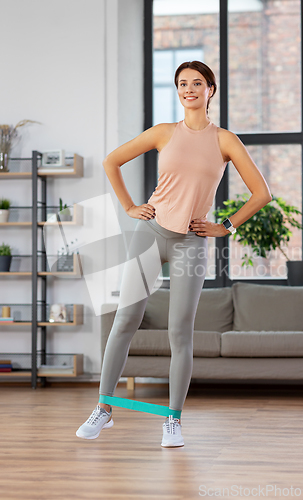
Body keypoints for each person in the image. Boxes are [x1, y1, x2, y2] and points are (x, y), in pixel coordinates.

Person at [76, 60, 272, 447]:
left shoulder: (225, 140)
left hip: (191, 242)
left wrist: (226, 226)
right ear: (178, 90)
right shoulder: (164, 132)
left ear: (210, 90)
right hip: (149, 232)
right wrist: (131, 206)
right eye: (182, 84)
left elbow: (262, 193)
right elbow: (111, 161)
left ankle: (173, 420)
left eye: (197, 83)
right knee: (125, 319)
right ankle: (103, 409)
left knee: (180, 331)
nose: (189, 89)